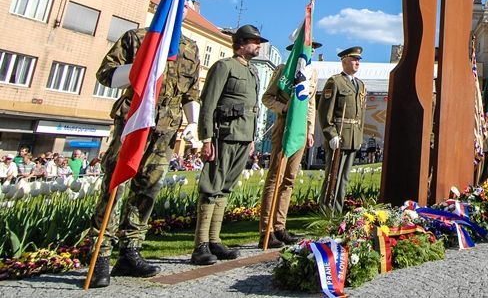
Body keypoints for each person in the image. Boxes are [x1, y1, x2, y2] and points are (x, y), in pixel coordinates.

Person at [85, 26, 200, 288]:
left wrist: (193, 123)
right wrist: (143, 64)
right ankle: (100, 253)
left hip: (166, 129)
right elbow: (106, 74)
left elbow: (191, 92)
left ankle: (130, 250)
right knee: (116, 184)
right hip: (134, 122)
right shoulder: (139, 38)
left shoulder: (189, 47)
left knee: (148, 189)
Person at [191, 24, 265, 265]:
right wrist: (206, 138)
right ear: (241, 43)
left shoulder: (252, 71)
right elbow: (209, 104)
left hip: (243, 137)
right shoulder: (224, 66)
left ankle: (215, 239)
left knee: (225, 188)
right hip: (223, 136)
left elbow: (252, 110)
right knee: (212, 186)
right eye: (254, 41)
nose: (258, 45)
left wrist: (252, 138)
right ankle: (200, 244)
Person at [259, 41, 319, 248]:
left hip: (300, 129)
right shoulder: (284, 70)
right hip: (284, 126)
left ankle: (280, 226)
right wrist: (284, 109)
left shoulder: (312, 73)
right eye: (308, 49)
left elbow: (310, 104)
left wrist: (310, 130)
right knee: (276, 176)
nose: (310, 52)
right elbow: (267, 97)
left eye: (313, 49)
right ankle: (266, 229)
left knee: (289, 179)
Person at [318, 46, 368, 215]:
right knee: (333, 176)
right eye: (354, 59)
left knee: (344, 178)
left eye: (358, 60)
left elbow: (361, 113)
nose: (357, 63)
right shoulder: (335, 81)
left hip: (352, 137)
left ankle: (337, 212)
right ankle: (326, 212)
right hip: (339, 136)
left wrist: (359, 135)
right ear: (344, 61)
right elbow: (325, 111)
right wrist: (330, 133)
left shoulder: (360, 85)